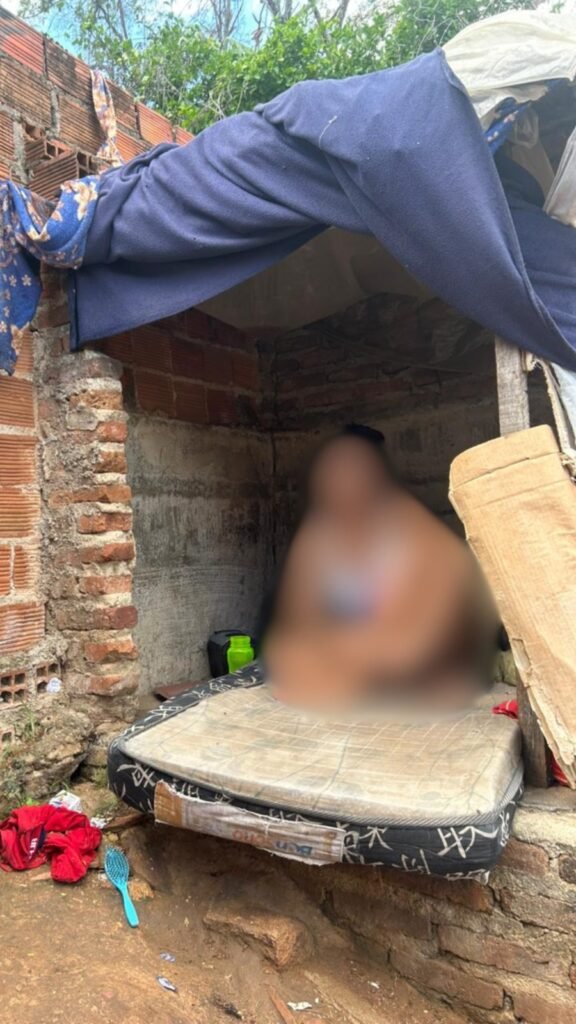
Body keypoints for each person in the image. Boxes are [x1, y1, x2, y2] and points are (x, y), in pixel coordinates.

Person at [260, 424, 498, 712]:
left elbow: (424, 635)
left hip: (402, 652)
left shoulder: (411, 528)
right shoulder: (317, 538)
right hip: (347, 652)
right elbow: (300, 626)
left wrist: (370, 649)